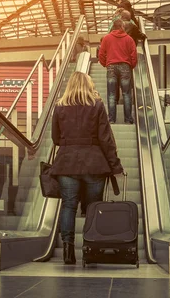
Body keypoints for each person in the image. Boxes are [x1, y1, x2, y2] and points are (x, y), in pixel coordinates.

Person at [50, 72, 123, 265]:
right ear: (88, 85)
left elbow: (56, 138)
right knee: (93, 208)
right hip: (94, 164)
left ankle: (68, 251)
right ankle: (90, 250)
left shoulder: (59, 107)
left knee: (68, 206)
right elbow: (106, 139)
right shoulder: (97, 105)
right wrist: (115, 165)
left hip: (66, 163)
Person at [98, 19, 137, 124]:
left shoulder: (106, 39)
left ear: (113, 27)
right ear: (122, 27)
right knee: (127, 94)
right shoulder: (129, 39)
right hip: (125, 66)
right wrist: (131, 66)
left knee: (111, 94)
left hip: (111, 66)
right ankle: (128, 119)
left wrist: (105, 64)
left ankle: (111, 120)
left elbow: (101, 54)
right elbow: (134, 55)